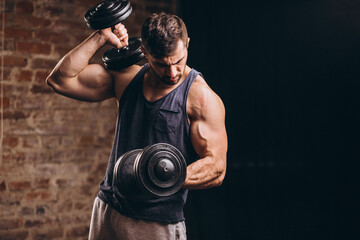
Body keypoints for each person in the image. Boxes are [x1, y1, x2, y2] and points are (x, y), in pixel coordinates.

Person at [46, 12, 227, 240]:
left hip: (156, 222)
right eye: (161, 64)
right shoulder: (127, 79)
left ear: (187, 44)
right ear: (144, 51)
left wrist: (160, 178)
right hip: (108, 208)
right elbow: (59, 80)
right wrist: (101, 37)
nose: (172, 72)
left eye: (178, 61)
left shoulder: (201, 98)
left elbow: (217, 168)